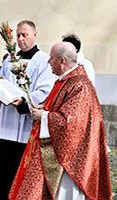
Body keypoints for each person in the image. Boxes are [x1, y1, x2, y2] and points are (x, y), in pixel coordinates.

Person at [9, 42, 112, 200]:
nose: (48, 62)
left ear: (62, 61)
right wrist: (45, 106)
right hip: (59, 148)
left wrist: (43, 116)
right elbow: (62, 107)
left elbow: (72, 122)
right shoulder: (66, 80)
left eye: (51, 58)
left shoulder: (80, 85)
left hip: (71, 158)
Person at [0, 20, 56, 199]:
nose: (20, 39)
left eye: (24, 35)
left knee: (20, 168)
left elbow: (45, 90)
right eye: (18, 35)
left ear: (34, 35)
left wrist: (24, 102)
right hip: (6, 123)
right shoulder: (10, 58)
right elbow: (2, 79)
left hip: (26, 125)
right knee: (2, 169)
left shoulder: (43, 61)